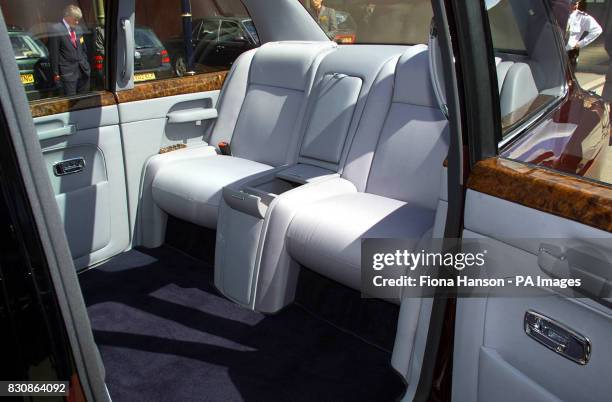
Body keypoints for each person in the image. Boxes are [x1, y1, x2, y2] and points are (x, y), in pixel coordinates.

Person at [48, 5, 91, 96]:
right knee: (72, 104)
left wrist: (86, 64)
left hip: (83, 71)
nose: (77, 22)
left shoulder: (78, 29)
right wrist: (56, 73)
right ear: (67, 17)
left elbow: (83, 49)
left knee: (84, 102)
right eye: (75, 19)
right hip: (67, 74)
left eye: (78, 19)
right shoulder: (56, 29)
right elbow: (54, 53)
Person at [566, 0, 602, 71]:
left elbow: (597, 30)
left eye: (576, 3)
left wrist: (580, 44)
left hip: (569, 53)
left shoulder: (582, 17)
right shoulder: (556, 13)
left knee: (566, 79)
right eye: (572, 2)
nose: (575, 5)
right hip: (553, 51)